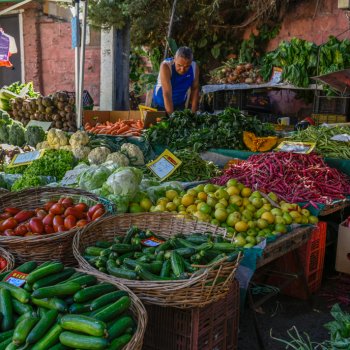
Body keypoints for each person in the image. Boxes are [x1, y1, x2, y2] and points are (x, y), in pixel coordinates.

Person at [152, 46, 199, 115]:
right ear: (174, 59)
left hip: (179, 104)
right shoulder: (166, 66)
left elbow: (195, 89)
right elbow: (167, 93)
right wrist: (172, 118)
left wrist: (193, 113)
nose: (182, 69)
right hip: (161, 105)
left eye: (187, 66)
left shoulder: (194, 67)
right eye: (179, 65)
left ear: (191, 62)